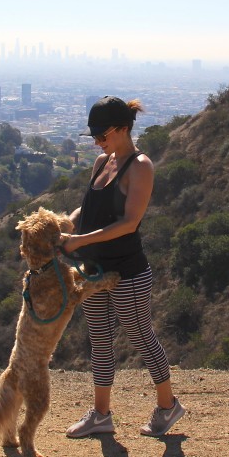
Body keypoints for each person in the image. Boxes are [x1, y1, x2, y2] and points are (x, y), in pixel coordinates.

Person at [59, 95, 185, 438]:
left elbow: (130, 223)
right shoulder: (102, 163)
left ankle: (168, 405)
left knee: (142, 338)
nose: (99, 141)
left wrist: (80, 241)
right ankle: (101, 415)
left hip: (127, 271)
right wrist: (66, 226)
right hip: (95, 270)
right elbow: (87, 211)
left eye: (103, 134)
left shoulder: (140, 166)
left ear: (123, 129)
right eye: (95, 136)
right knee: (99, 341)